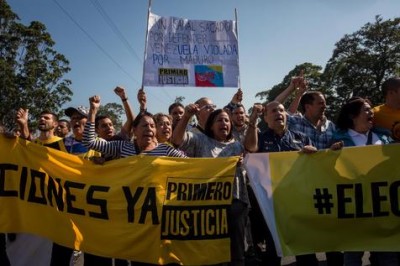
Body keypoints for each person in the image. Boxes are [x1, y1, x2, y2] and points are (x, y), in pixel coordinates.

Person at [275, 75, 343, 265]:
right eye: (320, 103)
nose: (325, 106)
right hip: (302, 189)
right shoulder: (295, 123)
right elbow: (273, 106)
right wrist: (293, 89)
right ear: (308, 106)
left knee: (332, 239)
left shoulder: (331, 126)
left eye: (325, 103)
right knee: (305, 238)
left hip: (327, 188)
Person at [172, 105, 249, 266]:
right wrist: (186, 116)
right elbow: (177, 140)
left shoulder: (237, 145)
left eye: (227, 120)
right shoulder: (199, 140)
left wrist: (241, 162)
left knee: (236, 253)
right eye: (219, 120)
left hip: (235, 204)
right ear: (211, 125)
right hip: (208, 206)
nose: (224, 123)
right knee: (212, 253)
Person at [244, 101, 318, 266]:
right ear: (266, 118)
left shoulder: (301, 138)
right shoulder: (260, 139)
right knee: (272, 250)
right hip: (271, 204)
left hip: (297, 202)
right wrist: (252, 121)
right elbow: (249, 147)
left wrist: (313, 155)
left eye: (282, 110)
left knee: (305, 250)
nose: (279, 113)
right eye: (274, 111)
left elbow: (314, 168)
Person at [332, 97, 397, 266]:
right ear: (353, 116)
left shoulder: (384, 137)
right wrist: (328, 154)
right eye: (366, 110)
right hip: (354, 208)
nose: (371, 113)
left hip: (383, 207)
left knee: (388, 257)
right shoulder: (337, 139)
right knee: (352, 256)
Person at [83, 95, 186, 159]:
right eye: (145, 125)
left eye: (152, 126)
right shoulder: (122, 147)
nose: (149, 129)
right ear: (135, 130)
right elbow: (89, 142)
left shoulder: (166, 150)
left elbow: (191, 163)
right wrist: (93, 111)